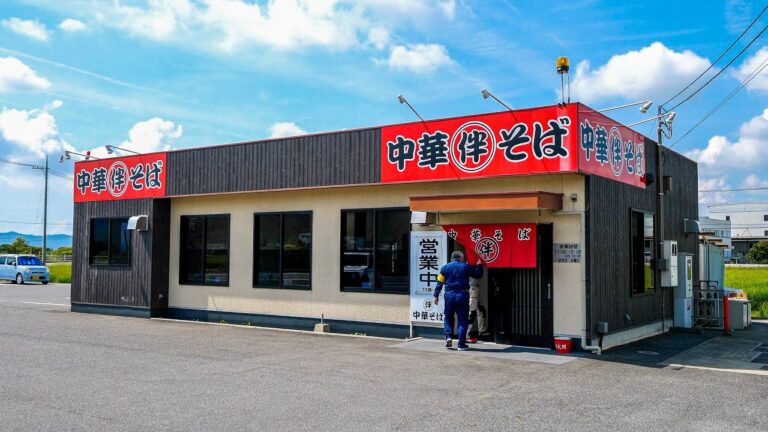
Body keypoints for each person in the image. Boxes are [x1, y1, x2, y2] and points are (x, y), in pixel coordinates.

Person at [433, 251, 483, 351]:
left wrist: (436, 295)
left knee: (448, 317)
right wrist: (479, 265)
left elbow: (440, 282)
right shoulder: (465, 267)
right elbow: (478, 275)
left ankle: (449, 337)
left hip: (449, 295)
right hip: (462, 295)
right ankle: (461, 345)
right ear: (460, 258)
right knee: (462, 320)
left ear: (452, 258)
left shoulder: (445, 268)